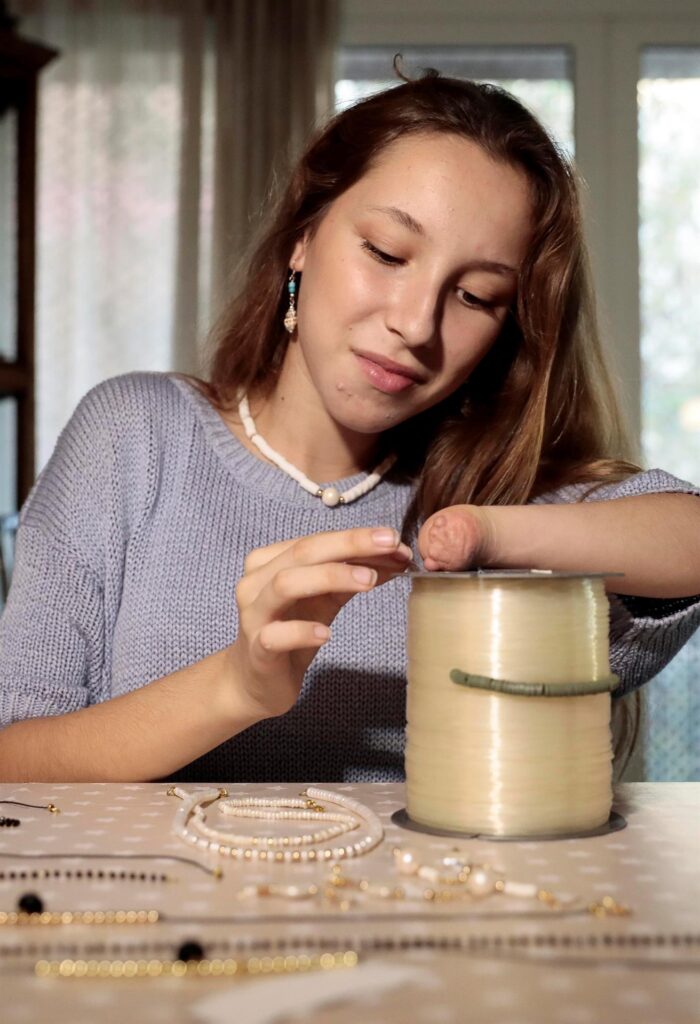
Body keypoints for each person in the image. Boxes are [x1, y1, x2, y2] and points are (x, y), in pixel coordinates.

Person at [0, 70, 699, 784]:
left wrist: (486, 535)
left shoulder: (495, 492)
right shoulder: (135, 436)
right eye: (387, 253)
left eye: (474, 295)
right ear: (303, 235)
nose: (416, 324)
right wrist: (236, 687)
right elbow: (12, 757)